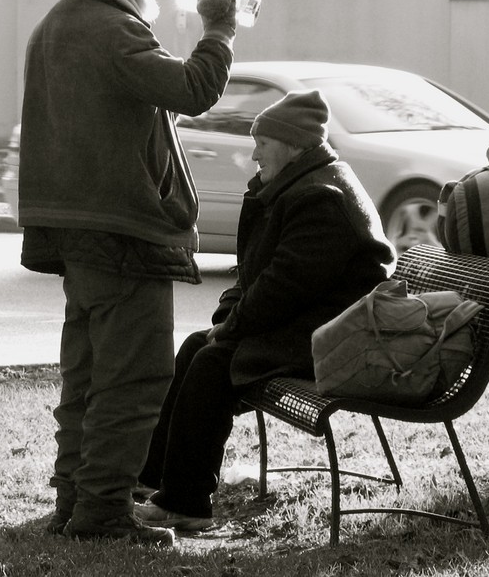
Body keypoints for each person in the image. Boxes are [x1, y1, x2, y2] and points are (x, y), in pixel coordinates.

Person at [17, 0, 239, 546]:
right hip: (121, 227)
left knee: (87, 374)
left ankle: (75, 501)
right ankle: (102, 512)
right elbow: (195, 89)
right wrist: (220, 29)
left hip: (80, 229)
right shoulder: (112, 28)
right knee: (135, 377)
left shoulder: (60, 23)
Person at [134, 90, 396, 531]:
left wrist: (232, 330)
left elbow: (282, 288)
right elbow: (256, 276)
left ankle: (186, 503)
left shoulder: (321, 197)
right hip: (310, 324)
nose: (253, 153)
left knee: (215, 362)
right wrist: (227, 322)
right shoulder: (298, 185)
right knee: (200, 346)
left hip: (336, 338)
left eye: (263, 143)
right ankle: (151, 481)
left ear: (293, 146)